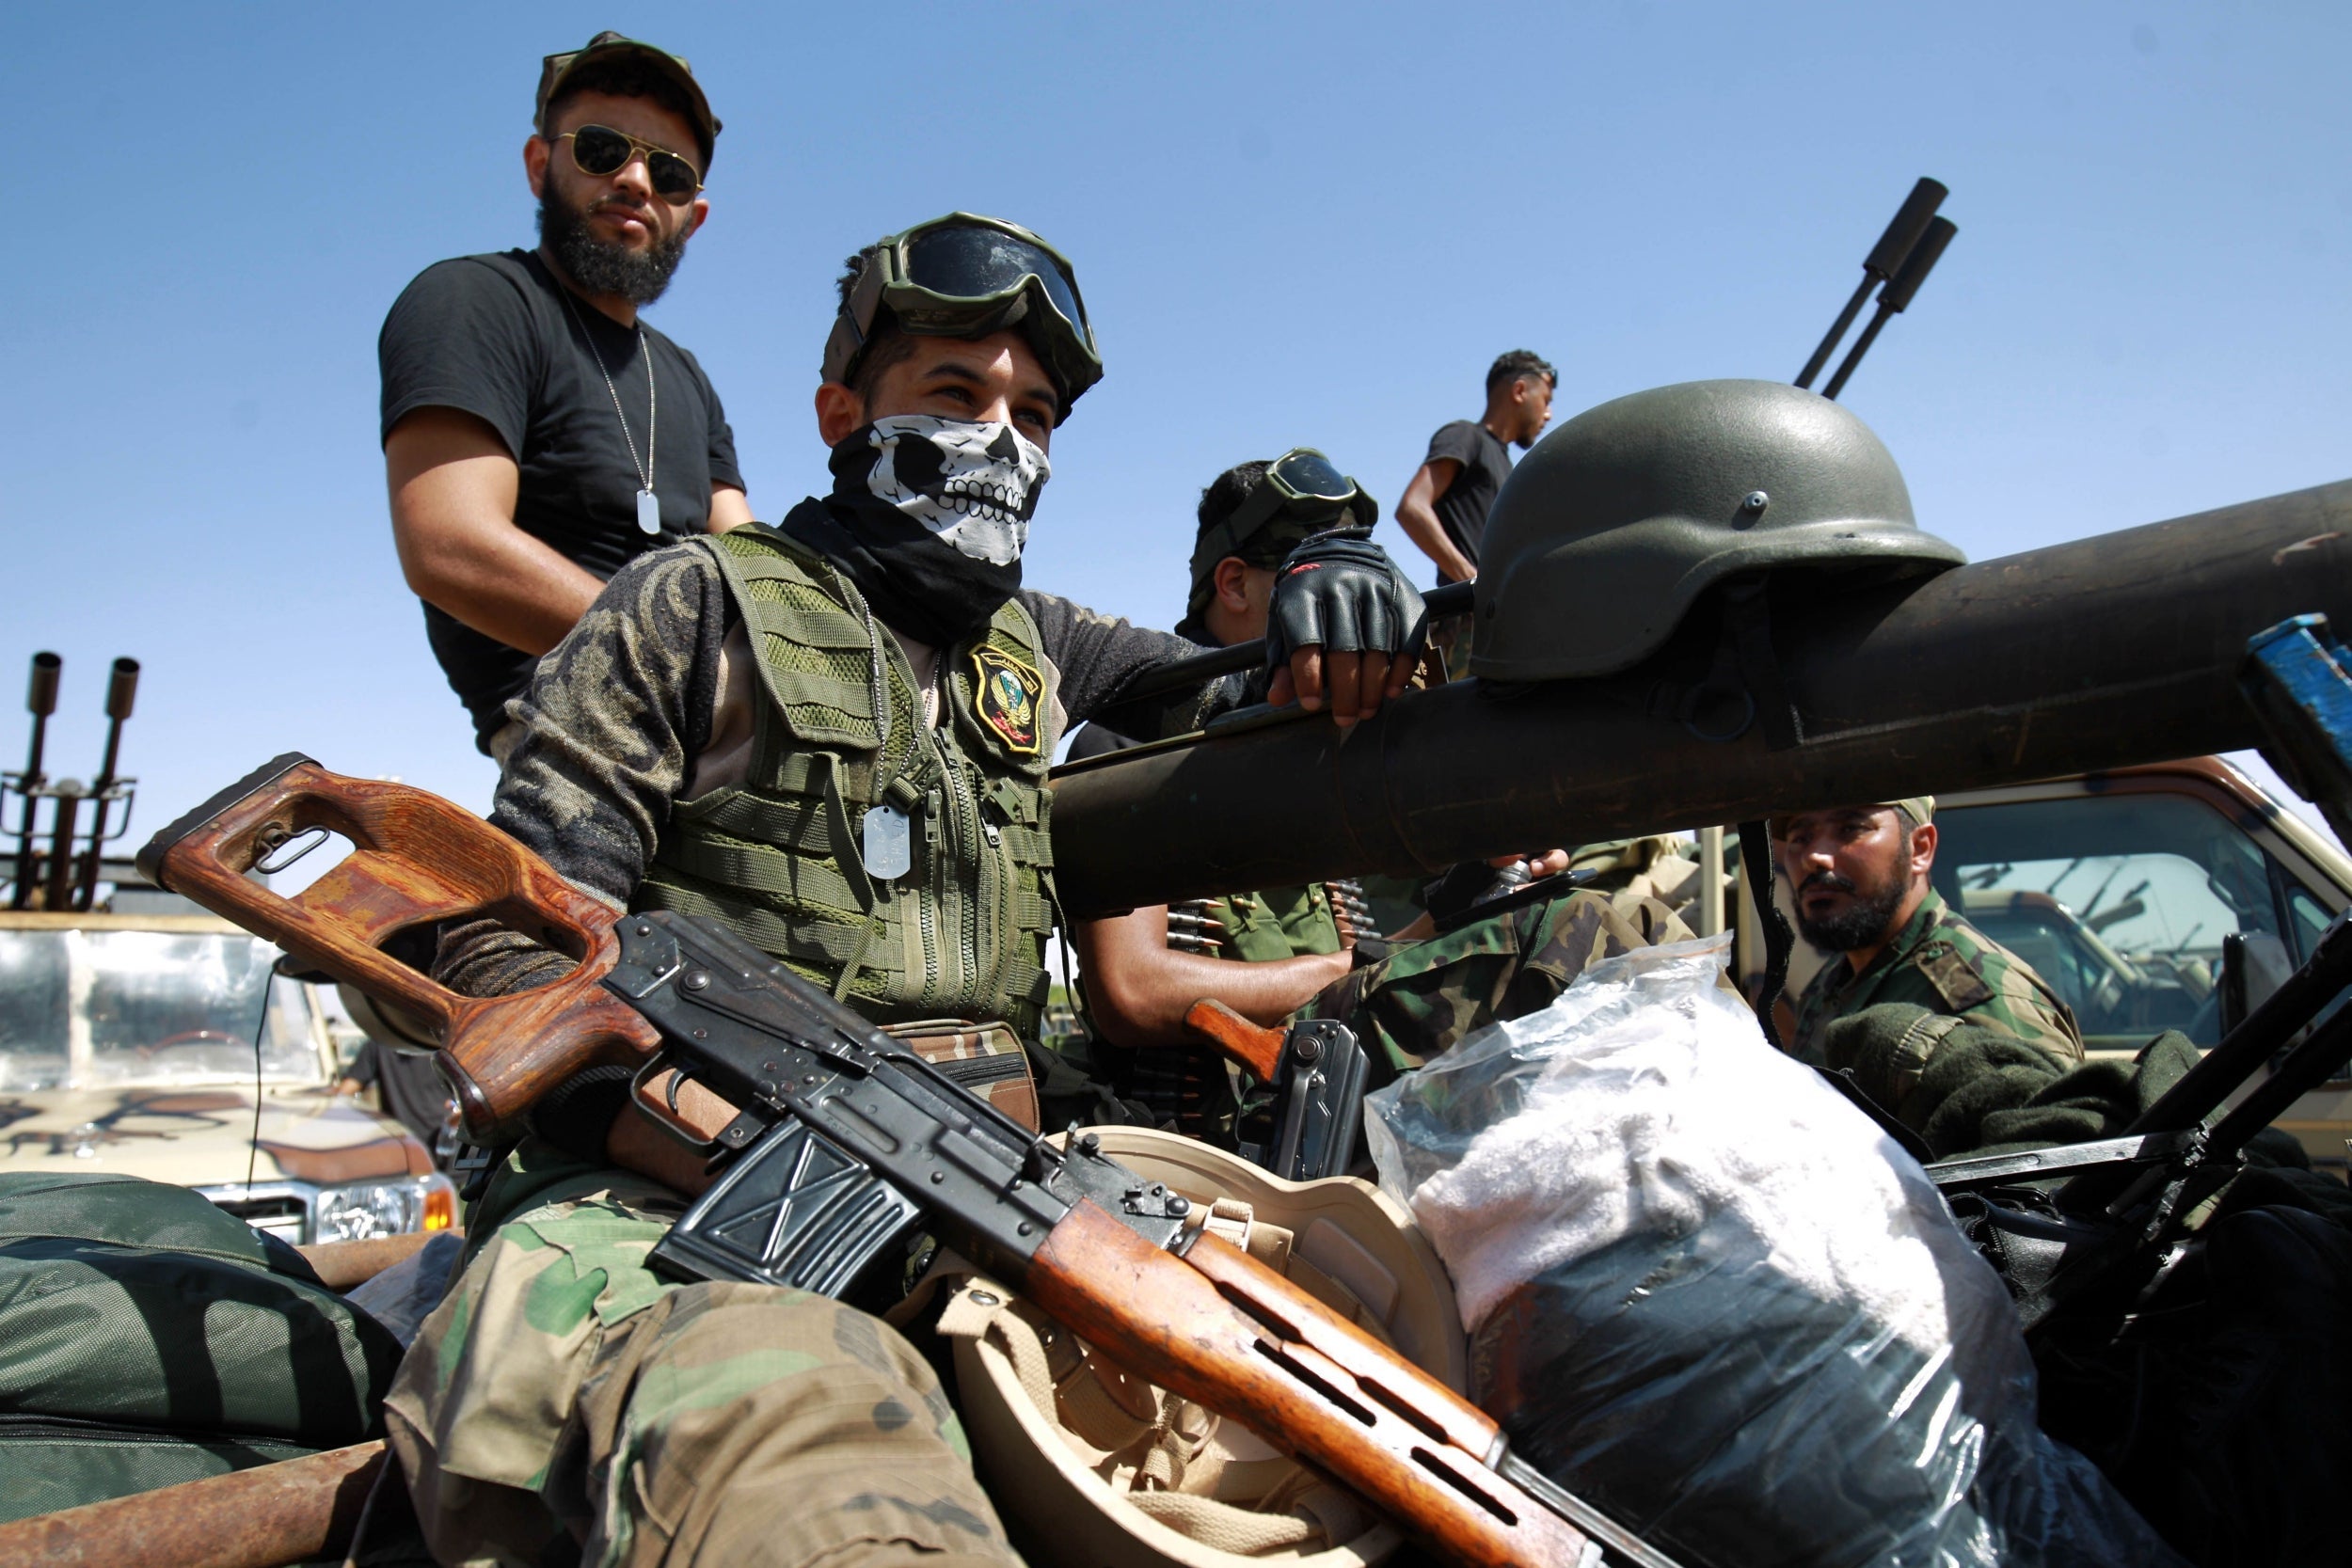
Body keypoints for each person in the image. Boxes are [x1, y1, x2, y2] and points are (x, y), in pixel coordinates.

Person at [380, 213, 1429, 1568]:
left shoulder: (1033, 643)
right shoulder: (688, 605)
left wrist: (1338, 600)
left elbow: (1221, 683)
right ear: (839, 412)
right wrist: (694, 1123)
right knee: (820, 1469)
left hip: (985, 1197)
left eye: (1036, 413)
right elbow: (498, 942)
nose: (1005, 440)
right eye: (956, 392)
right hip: (670, 1219)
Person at [379, 32, 755, 760]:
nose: (638, 182)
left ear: (693, 214)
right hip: (577, 738)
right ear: (539, 162)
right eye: (603, 149)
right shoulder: (476, 301)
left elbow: (744, 557)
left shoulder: (685, 375)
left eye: (671, 173)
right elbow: (449, 544)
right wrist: (702, 673)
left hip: (718, 734)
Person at [1772, 797, 2084, 1067]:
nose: (1814, 857)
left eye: (1850, 830)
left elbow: (2045, 1131)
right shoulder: (1833, 983)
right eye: (1801, 837)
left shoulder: (1978, 1001)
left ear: (1920, 849)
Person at [1393, 349, 1557, 590]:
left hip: (1495, 618)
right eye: (1546, 400)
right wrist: (1473, 583)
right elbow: (1412, 508)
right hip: (1466, 621)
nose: (1548, 414)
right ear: (1520, 391)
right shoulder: (1465, 436)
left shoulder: (1505, 464)